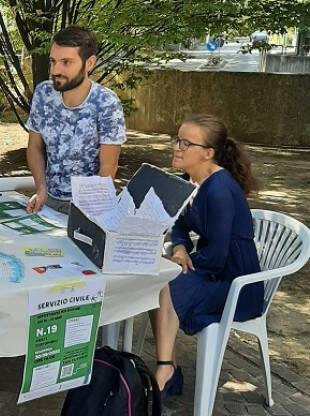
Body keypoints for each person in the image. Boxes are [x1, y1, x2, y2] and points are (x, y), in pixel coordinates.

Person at [149, 114, 263, 398]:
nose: (177, 147)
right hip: (213, 272)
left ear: (208, 153)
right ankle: (169, 367)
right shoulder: (189, 182)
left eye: (186, 143)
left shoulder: (220, 190)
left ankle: (165, 370)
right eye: (177, 139)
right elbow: (178, 223)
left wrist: (181, 263)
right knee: (154, 282)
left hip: (236, 283)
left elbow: (217, 256)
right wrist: (178, 248)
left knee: (165, 283)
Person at [25, 26, 126, 214]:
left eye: (66, 62)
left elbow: (108, 168)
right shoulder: (43, 93)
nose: (56, 70)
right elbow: (34, 147)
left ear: (89, 63)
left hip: (89, 207)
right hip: (48, 199)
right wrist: (41, 189)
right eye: (53, 61)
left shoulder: (106, 103)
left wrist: (85, 215)